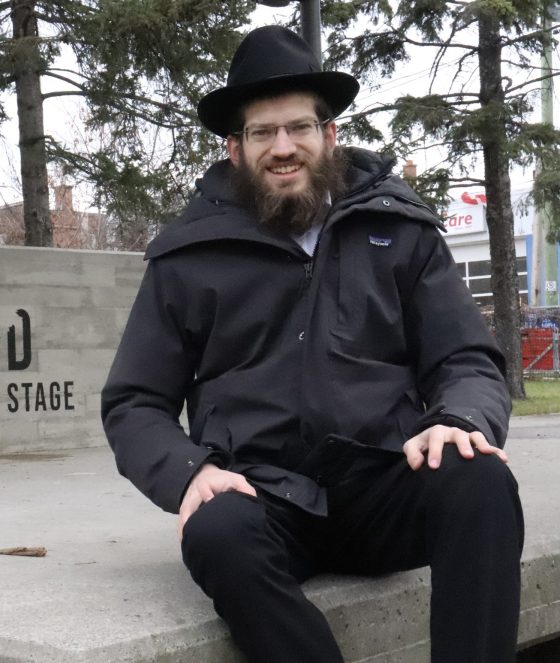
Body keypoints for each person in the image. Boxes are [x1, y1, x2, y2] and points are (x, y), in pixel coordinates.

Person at [100, 25, 524, 663]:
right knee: (215, 531)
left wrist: (459, 418)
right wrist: (191, 473)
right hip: (263, 495)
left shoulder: (400, 231)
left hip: (387, 478)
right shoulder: (186, 257)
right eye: (262, 132)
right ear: (235, 149)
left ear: (329, 134)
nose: (283, 147)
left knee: (482, 481)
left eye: (298, 127)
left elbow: (464, 357)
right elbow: (134, 400)